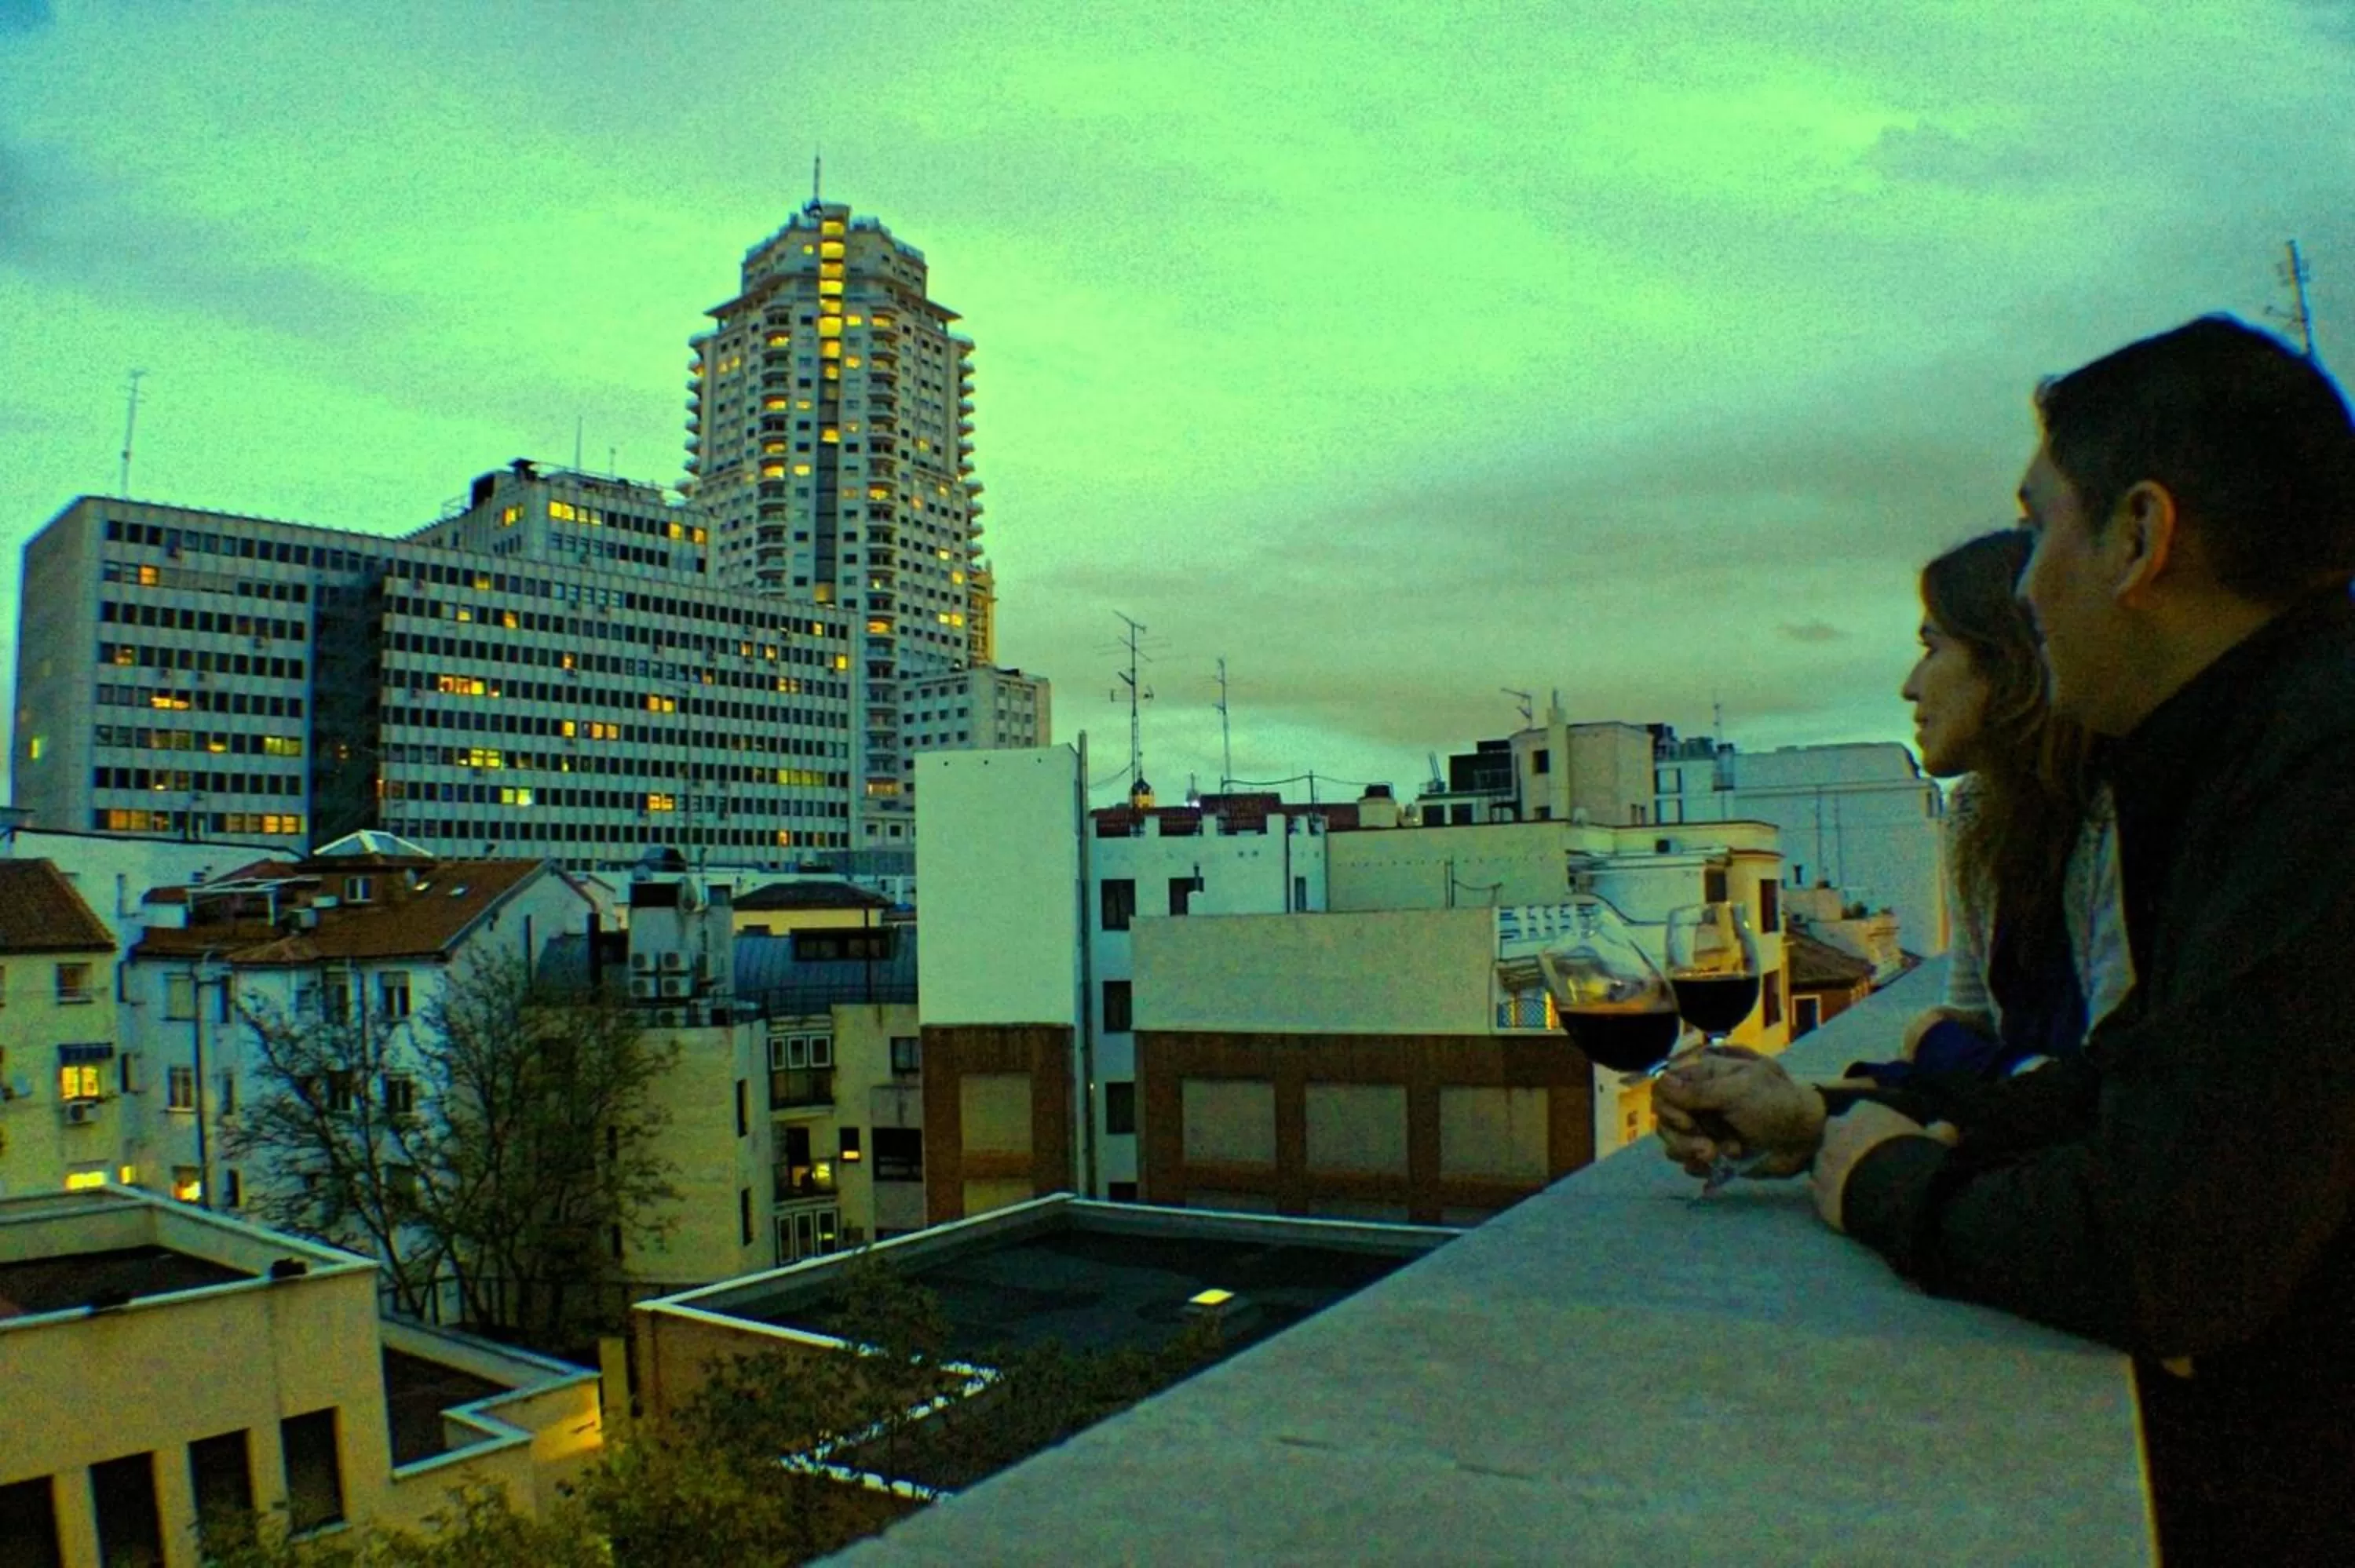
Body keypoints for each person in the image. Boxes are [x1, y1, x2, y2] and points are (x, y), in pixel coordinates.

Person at [1656, 315, 2355, 1563]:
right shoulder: (2247, 758)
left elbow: (2168, 1245)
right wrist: (1823, 1123)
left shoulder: (2316, 779)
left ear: (2142, 537)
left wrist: (1888, 1188)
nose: (2025, 589)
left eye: (2040, 530)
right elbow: (2134, 1087)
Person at [1875, 529, 2130, 1086]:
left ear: (2007, 658)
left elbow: (2101, 1097)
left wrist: (1931, 1041)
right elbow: (1978, 1034)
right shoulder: (1976, 813)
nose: (1910, 687)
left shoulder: (2115, 814)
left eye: (1932, 647)